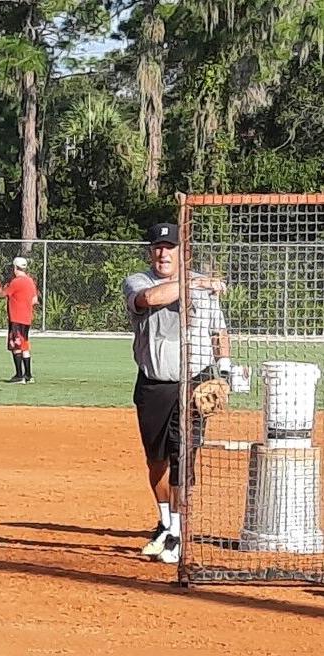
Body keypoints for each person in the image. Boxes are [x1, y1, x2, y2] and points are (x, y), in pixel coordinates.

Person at [123, 222, 232, 564]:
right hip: (154, 384)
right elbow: (152, 299)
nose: (163, 253)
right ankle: (166, 523)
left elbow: (219, 331)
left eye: (170, 247)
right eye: (158, 246)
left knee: (182, 459)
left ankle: (178, 534)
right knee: (156, 461)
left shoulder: (205, 289)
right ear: (150, 251)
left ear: (182, 252)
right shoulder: (138, 281)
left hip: (193, 383)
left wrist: (225, 367)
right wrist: (196, 282)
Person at [0, 256, 39, 384]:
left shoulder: (16, 281)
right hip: (26, 318)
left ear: (15, 267)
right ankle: (28, 375)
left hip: (16, 318)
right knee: (25, 346)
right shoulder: (30, 281)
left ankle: (19, 376)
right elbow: (34, 300)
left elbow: (2, 294)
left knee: (16, 346)